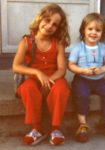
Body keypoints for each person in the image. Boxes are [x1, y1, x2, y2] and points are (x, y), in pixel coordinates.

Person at [12, 3, 70, 146]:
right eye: (47, 20)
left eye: (55, 24)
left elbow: (62, 69)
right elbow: (15, 66)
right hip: (33, 78)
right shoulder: (26, 41)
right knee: (27, 88)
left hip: (54, 78)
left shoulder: (58, 43)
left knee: (61, 89)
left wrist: (49, 80)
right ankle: (37, 128)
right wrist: (37, 72)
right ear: (39, 19)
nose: (50, 26)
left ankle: (55, 129)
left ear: (58, 28)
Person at [68, 12, 105, 143]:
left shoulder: (103, 48)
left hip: (99, 80)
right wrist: (82, 70)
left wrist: (102, 69)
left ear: (102, 33)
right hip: (82, 79)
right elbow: (70, 65)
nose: (94, 33)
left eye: (98, 30)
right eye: (90, 29)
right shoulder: (78, 48)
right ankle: (82, 124)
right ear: (83, 30)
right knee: (82, 95)